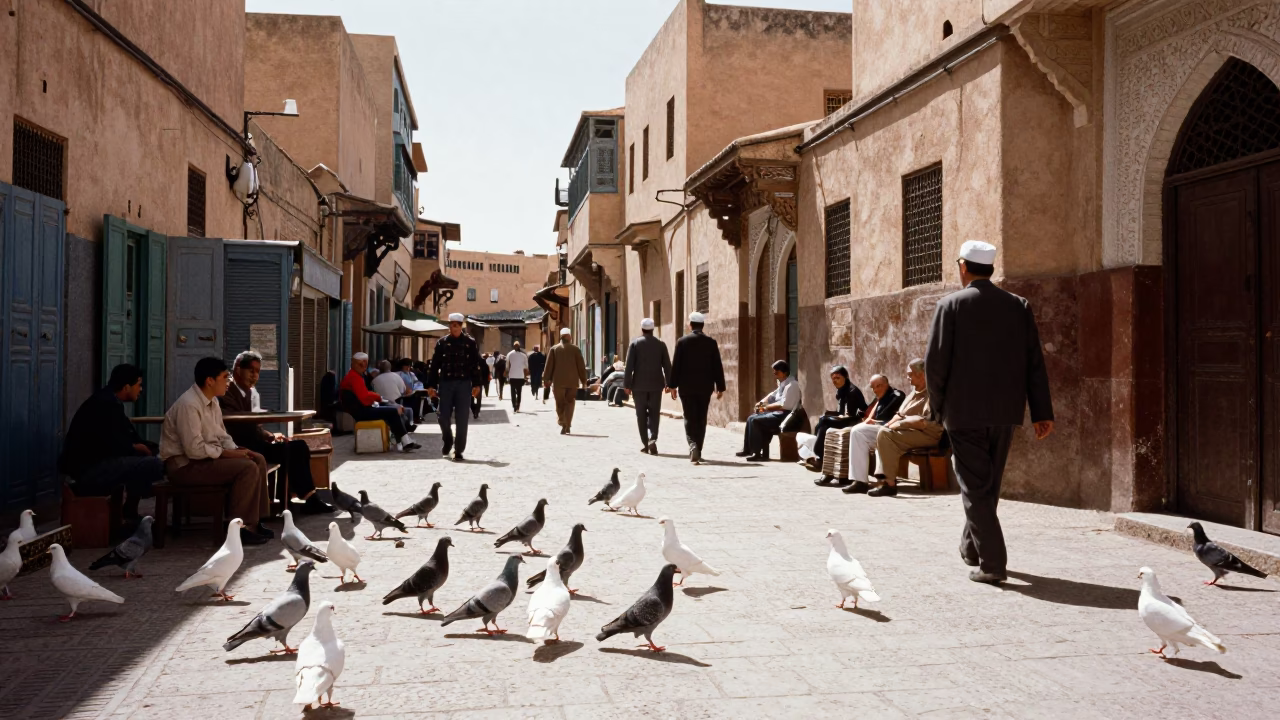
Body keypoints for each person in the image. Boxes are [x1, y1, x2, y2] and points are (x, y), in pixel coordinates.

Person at [925, 240, 1054, 585]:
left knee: (975, 486)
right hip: (1005, 412)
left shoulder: (949, 305)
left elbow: (935, 365)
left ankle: (993, 564)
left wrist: (936, 408)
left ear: (963, 267)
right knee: (987, 484)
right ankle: (971, 547)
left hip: (963, 413)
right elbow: (1034, 362)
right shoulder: (1018, 305)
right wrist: (1042, 411)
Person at [159, 357, 272, 545]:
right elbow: (194, 450)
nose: (228, 382)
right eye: (225, 377)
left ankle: (255, 522)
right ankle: (237, 529)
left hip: (204, 461)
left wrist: (238, 449)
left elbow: (222, 435)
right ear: (210, 380)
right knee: (246, 468)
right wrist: (230, 454)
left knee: (257, 459)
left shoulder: (213, 402)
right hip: (184, 467)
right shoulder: (189, 404)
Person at [220, 351, 332, 514]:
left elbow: (252, 423)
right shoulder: (227, 391)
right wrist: (263, 434)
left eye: (258, 371)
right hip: (240, 447)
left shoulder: (250, 392)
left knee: (297, 446)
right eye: (251, 370)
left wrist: (269, 435)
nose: (254, 376)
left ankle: (303, 497)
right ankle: (303, 498)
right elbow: (238, 423)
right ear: (238, 369)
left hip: (254, 442)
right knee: (294, 449)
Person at [60, 364, 164, 523]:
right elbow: (114, 445)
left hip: (97, 464)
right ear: (127, 387)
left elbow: (127, 436)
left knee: (148, 457)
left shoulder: (109, 401)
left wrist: (146, 446)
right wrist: (139, 448)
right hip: (90, 469)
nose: (141, 390)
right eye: (139, 385)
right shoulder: (105, 404)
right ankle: (131, 510)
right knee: (151, 465)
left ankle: (130, 510)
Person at [862, 359, 945, 497]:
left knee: (885, 435)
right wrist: (888, 425)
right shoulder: (913, 392)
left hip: (929, 433)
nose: (907, 377)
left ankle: (889, 484)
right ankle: (886, 481)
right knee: (883, 433)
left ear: (922, 375)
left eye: (910, 374)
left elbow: (921, 421)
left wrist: (898, 425)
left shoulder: (932, 393)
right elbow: (900, 414)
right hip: (912, 431)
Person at [425, 313, 486, 461]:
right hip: (446, 383)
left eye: (458, 324)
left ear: (462, 326)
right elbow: (434, 366)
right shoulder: (442, 343)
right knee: (442, 415)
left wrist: (477, 384)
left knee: (462, 418)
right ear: (449, 326)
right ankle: (448, 439)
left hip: (464, 384)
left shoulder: (470, 343)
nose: (455, 327)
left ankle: (458, 450)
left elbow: (474, 365)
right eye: (452, 324)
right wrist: (431, 385)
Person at [668, 312, 725, 464]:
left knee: (689, 417)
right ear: (702, 325)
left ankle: (692, 445)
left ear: (690, 325)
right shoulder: (711, 343)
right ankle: (698, 448)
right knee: (701, 418)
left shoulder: (682, 342)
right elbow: (717, 366)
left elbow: (676, 366)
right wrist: (720, 387)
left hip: (686, 388)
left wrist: (672, 385)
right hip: (705, 388)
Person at [839, 374, 908, 494]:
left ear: (887, 384)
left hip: (892, 430)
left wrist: (877, 421)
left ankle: (884, 482)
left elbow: (893, 417)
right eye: (873, 387)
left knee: (859, 430)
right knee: (856, 433)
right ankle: (859, 481)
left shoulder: (896, 396)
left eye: (879, 386)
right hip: (878, 429)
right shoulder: (878, 398)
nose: (875, 390)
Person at [340, 352, 420, 453]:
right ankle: (405, 440)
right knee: (393, 411)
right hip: (361, 411)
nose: (364, 367)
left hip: (360, 408)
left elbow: (364, 393)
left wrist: (378, 398)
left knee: (392, 410)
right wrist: (378, 397)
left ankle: (405, 441)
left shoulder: (354, 375)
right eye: (361, 364)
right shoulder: (355, 377)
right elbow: (364, 396)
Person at [810, 366, 869, 483]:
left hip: (854, 421)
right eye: (833, 378)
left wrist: (828, 419)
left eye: (838, 377)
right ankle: (824, 466)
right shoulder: (841, 390)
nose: (835, 381)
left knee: (824, 424)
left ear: (845, 377)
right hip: (845, 419)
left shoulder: (851, 391)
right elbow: (840, 412)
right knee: (822, 425)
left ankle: (819, 459)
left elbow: (850, 415)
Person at [624, 317, 672, 455]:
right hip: (656, 386)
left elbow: (629, 367)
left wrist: (627, 384)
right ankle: (653, 437)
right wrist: (669, 383)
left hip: (638, 387)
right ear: (653, 330)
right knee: (654, 413)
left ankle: (646, 443)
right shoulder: (661, 344)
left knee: (641, 415)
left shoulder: (635, 344)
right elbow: (667, 366)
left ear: (642, 329)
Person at [736, 360, 801, 461]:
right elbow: (771, 396)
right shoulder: (782, 384)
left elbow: (784, 405)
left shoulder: (792, 385)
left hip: (785, 416)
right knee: (750, 418)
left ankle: (757, 452)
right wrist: (760, 404)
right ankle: (748, 449)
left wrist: (765, 408)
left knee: (756, 421)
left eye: (776, 372)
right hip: (777, 413)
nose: (775, 374)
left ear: (784, 372)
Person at [543, 327, 588, 434]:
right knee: (570, 402)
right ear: (569, 337)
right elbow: (581, 366)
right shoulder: (576, 349)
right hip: (572, 382)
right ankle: (567, 424)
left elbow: (549, 366)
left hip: (558, 382)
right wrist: (584, 381)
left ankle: (562, 421)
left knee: (560, 403)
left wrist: (546, 379)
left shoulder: (554, 349)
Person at [372, 359, 415, 425]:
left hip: (381, 405)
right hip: (395, 403)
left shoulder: (374, 380)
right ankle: (409, 425)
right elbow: (403, 391)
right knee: (409, 410)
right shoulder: (397, 376)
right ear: (390, 367)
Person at [505, 341, 530, 413]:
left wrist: (507, 374)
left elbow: (507, 366)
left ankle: (514, 406)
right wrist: (526, 375)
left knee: (513, 392)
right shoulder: (523, 355)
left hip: (512, 376)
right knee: (519, 392)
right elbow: (526, 367)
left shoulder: (509, 354)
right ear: (519, 347)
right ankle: (517, 406)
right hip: (520, 376)